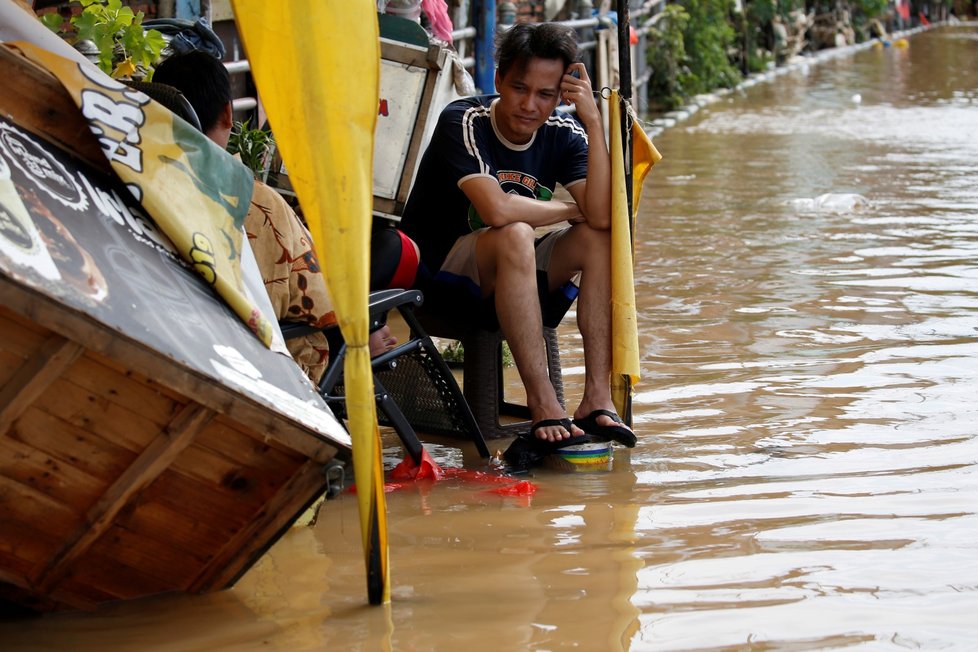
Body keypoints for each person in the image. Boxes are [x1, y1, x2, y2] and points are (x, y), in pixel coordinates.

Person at [399, 22, 635, 447]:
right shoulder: (464, 119)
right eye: (519, 89)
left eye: (546, 95)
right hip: (442, 279)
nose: (530, 105)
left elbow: (601, 218)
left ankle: (595, 398)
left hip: (515, 271)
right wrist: (567, 208)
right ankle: (543, 401)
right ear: (498, 81)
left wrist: (594, 123)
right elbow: (497, 209)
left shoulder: (565, 134)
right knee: (515, 232)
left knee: (599, 241)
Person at [154, 52, 415, 385]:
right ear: (227, 114)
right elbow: (322, 304)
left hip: (180, 342)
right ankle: (361, 347)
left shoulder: (138, 186)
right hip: (267, 363)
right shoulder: (256, 201)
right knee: (392, 249)